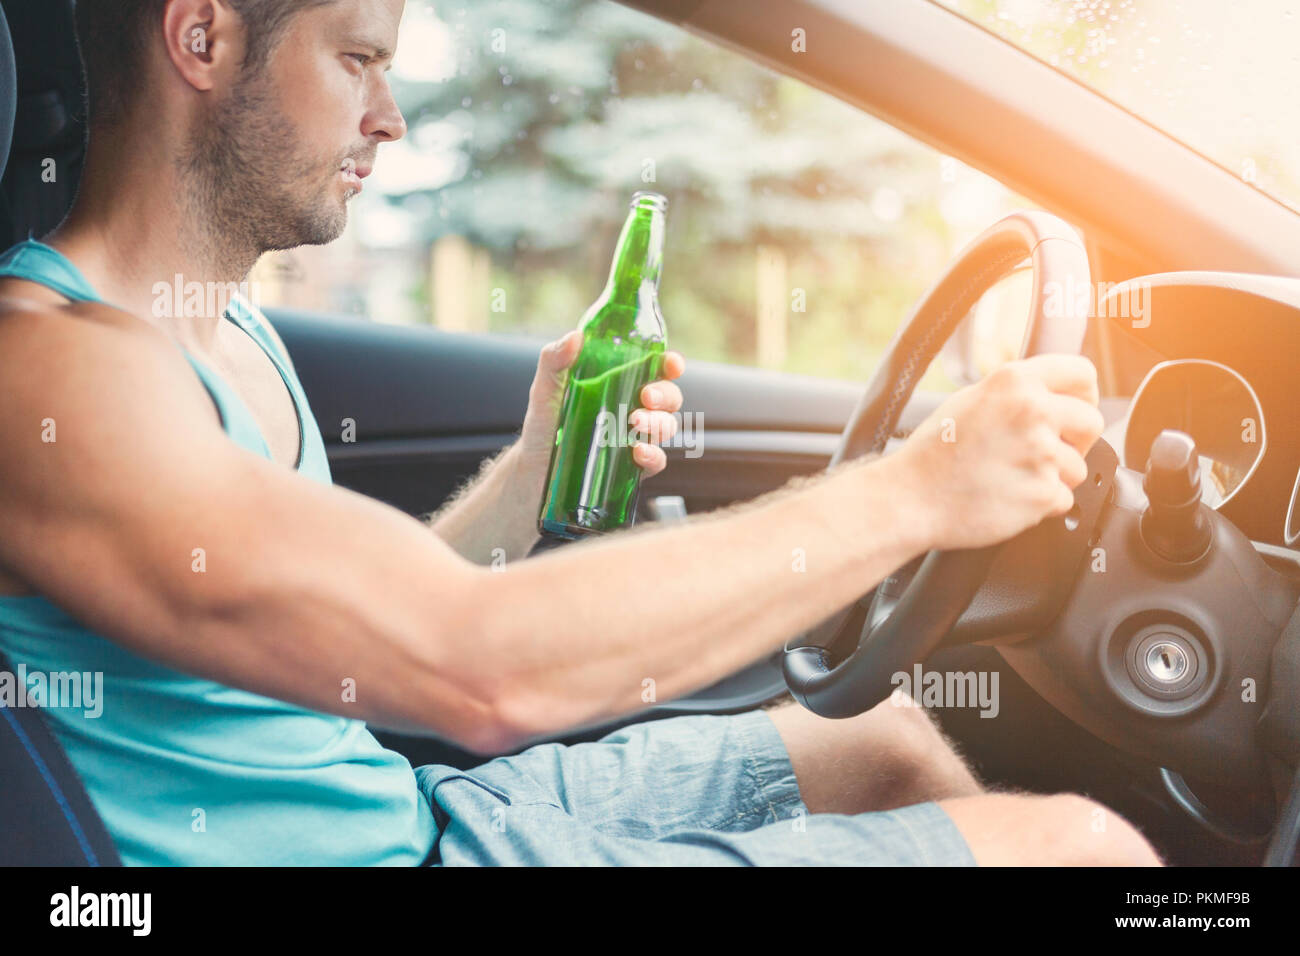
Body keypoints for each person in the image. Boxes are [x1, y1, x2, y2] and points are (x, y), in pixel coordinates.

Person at [0, 0, 1160, 866]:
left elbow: (362, 653)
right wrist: (919, 489)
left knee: (885, 744)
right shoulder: (49, 371)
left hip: (413, 818)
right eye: (357, 59)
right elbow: (471, 665)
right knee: (1076, 847)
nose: (389, 118)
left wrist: (531, 465)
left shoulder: (234, 330)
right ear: (201, 40)